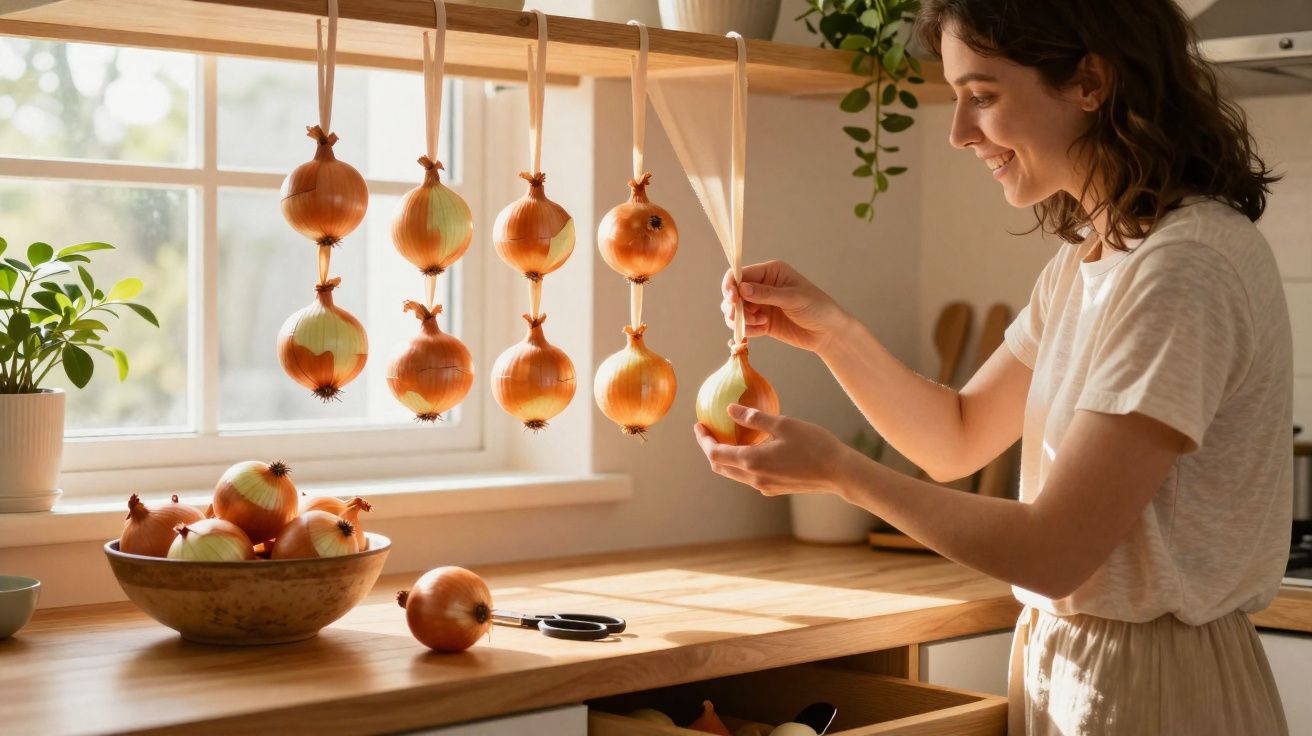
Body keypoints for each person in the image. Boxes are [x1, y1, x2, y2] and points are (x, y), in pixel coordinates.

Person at [693, 0, 1293, 733]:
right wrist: (832, 333)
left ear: (1090, 82)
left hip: (1157, 688)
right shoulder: (1089, 260)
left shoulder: (1184, 269)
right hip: (1073, 666)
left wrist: (843, 473)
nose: (957, 133)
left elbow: (1055, 551)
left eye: (982, 96)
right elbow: (957, 436)